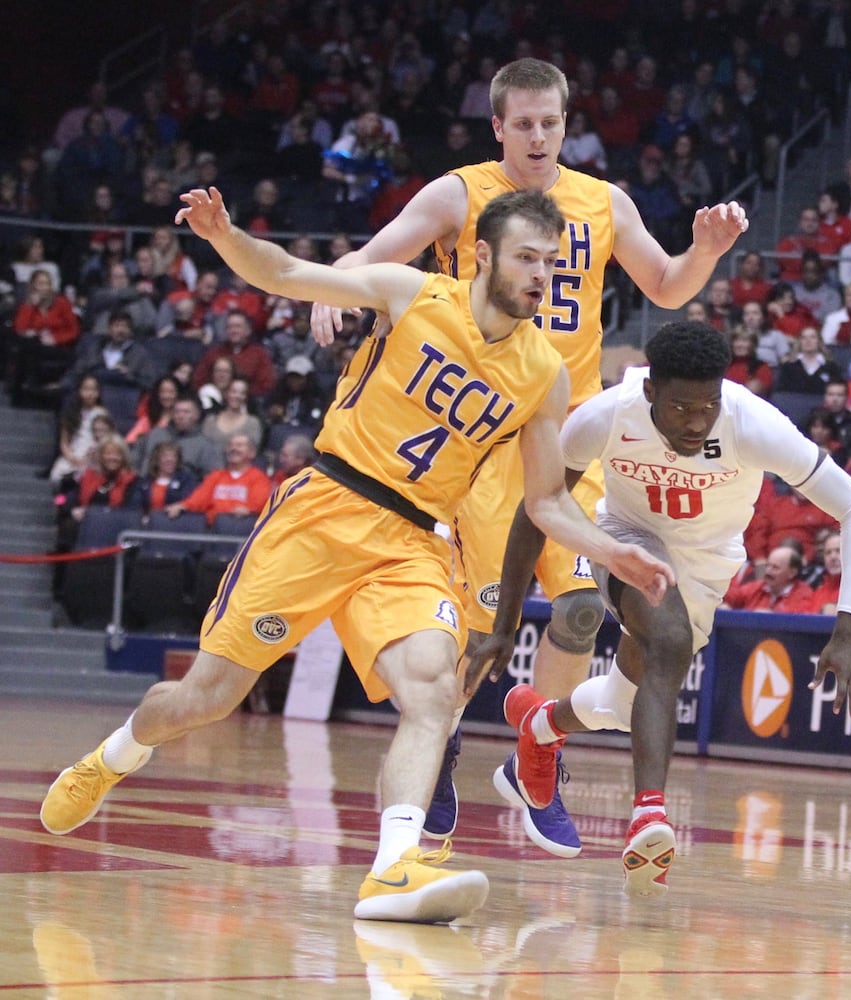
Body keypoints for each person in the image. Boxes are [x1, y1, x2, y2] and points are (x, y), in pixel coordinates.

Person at [40, 186, 673, 924]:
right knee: (204, 700)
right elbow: (285, 272)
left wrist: (612, 554)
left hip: (411, 540)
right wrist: (224, 234)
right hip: (325, 509)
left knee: (436, 690)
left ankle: (393, 869)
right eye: (527, 258)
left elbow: (545, 502)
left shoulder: (543, 372)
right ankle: (113, 755)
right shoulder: (410, 294)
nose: (541, 275)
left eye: (552, 264)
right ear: (481, 256)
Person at [310, 59, 747, 856]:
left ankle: (534, 757)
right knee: (479, 630)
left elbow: (668, 286)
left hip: (570, 441)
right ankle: (437, 753)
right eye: (524, 124)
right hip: (482, 439)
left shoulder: (603, 202)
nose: (540, 136)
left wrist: (706, 250)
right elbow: (374, 258)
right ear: (499, 128)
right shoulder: (459, 193)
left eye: (551, 123)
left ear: (565, 124)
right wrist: (327, 290)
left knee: (581, 611)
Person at [476, 321, 851, 896]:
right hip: (627, 539)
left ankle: (539, 728)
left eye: (707, 407)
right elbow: (536, 508)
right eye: (682, 407)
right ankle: (649, 813)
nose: (696, 421)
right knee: (666, 640)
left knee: (622, 703)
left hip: (708, 567)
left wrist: (848, 626)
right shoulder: (607, 415)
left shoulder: (752, 423)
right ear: (649, 393)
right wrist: (505, 623)